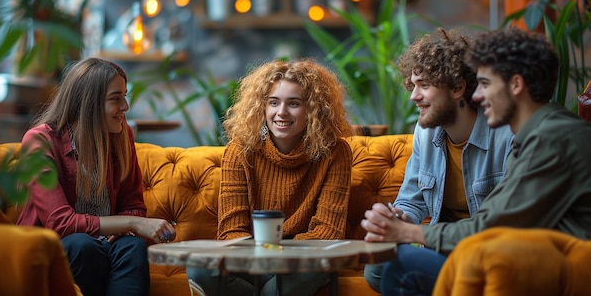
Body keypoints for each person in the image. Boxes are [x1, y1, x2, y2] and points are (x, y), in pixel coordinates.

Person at [361, 27, 591, 296]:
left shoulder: (550, 139)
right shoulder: (536, 135)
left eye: (484, 84)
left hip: (557, 267)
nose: (477, 96)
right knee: (383, 266)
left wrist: (406, 233)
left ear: (515, 85)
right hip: (515, 255)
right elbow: (490, 220)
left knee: (405, 265)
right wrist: (398, 221)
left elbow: (490, 228)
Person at [187, 58, 355, 296]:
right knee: (199, 269)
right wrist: (265, 257)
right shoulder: (240, 150)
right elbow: (231, 232)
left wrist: (277, 255)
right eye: (273, 102)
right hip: (253, 260)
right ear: (262, 107)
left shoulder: (335, 153)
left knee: (308, 271)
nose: (281, 112)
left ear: (313, 109)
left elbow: (327, 233)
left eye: (294, 103)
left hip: (307, 260)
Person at [363, 28, 514, 292]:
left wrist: (416, 235)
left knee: (404, 265)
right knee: (376, 268)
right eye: (413, 85)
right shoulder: (426, 132)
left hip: (489, 249)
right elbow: (411, 201)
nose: (414, 96)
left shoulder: (505, 135)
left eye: (425, 85)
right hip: (442, 247)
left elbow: (505, 224)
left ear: (457, 88)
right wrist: (395, 217)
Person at [17, 57, 177, 296]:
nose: (125, 106)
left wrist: (126, 225)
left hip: (106, 246)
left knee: (131, 246)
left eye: (125, 95)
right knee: (83, 245)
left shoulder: (122, 136)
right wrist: (131, 223)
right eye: (116, 98)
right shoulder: (40, 141)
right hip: (54, 249)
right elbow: (60, 223)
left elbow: (133, 205)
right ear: (88, 102)